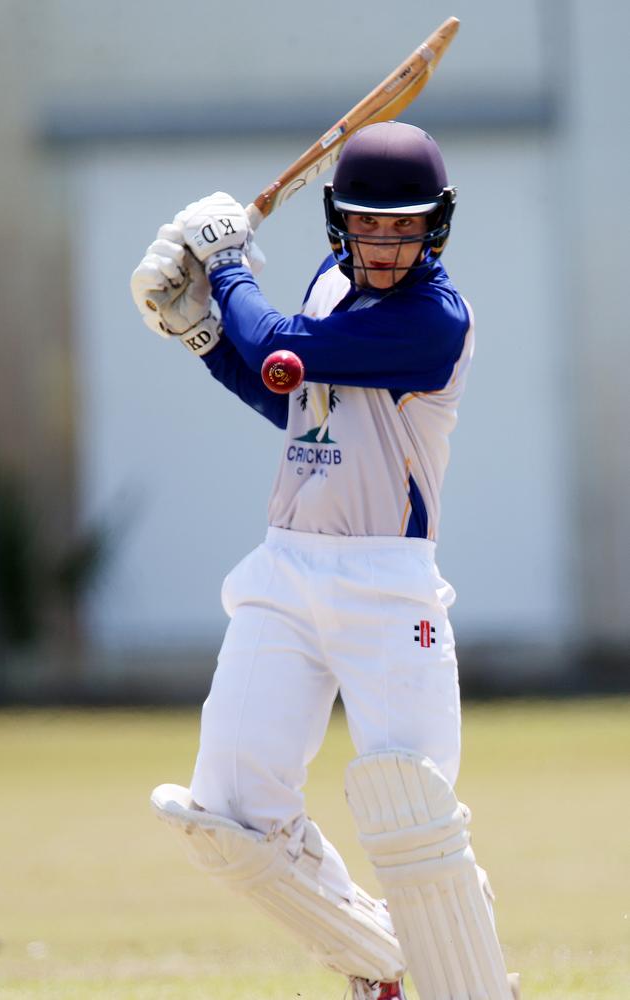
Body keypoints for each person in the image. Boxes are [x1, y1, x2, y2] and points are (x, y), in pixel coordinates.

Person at [131, 121, 520, 1000]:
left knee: (409, 814)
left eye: (404, 227)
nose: (385, 246)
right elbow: (295, 395)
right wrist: (199, 330)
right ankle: (377, 963)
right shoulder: (330, 283)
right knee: (227, 811)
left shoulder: (433, 317)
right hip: (285, 572)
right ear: (339, 222)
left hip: (390, 591)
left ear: (436, 227)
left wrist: (225, 263)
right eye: (370, 226)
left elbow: (287, 345)